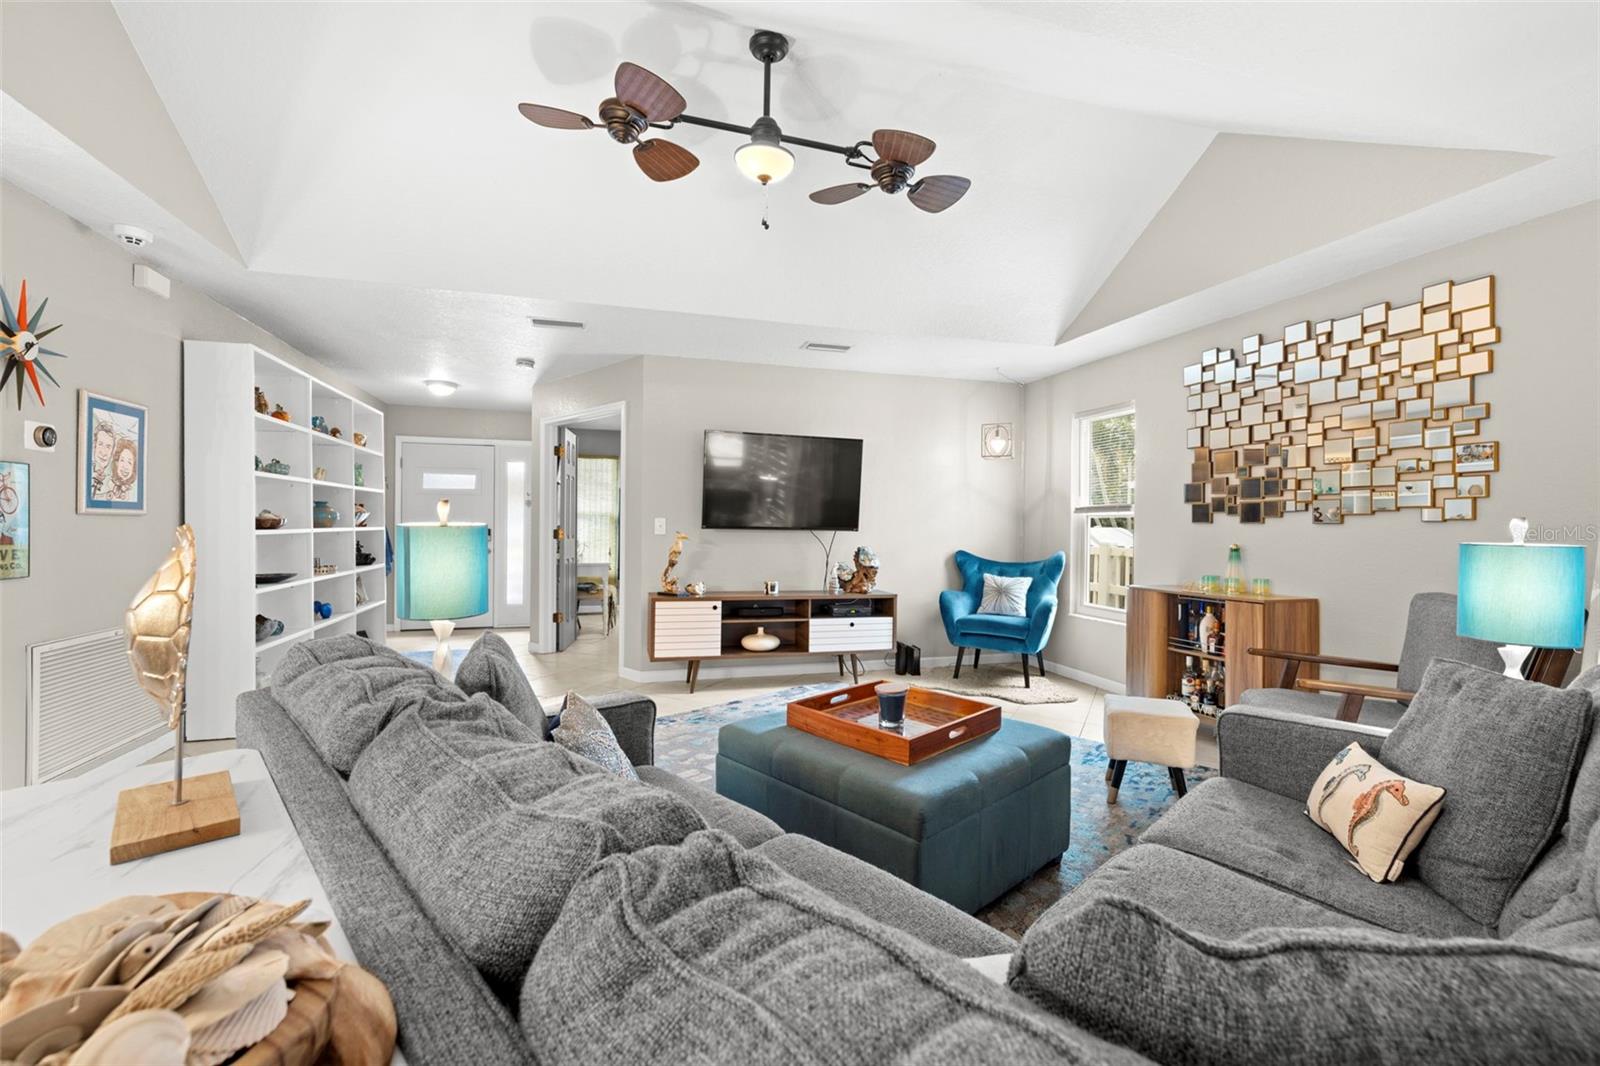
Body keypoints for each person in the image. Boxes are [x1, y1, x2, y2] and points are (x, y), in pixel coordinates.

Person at [105, 438, 139, 502]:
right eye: (122, 460)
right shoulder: (107, 485)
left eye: (129, 462)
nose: (125, 466)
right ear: (116, 463)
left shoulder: (134, 492)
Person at [89, 419, 116, 497]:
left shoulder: (112, 483)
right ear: (94, 445)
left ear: (112, 451)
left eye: (108, 447)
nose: (104, 452)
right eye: (100, 444)